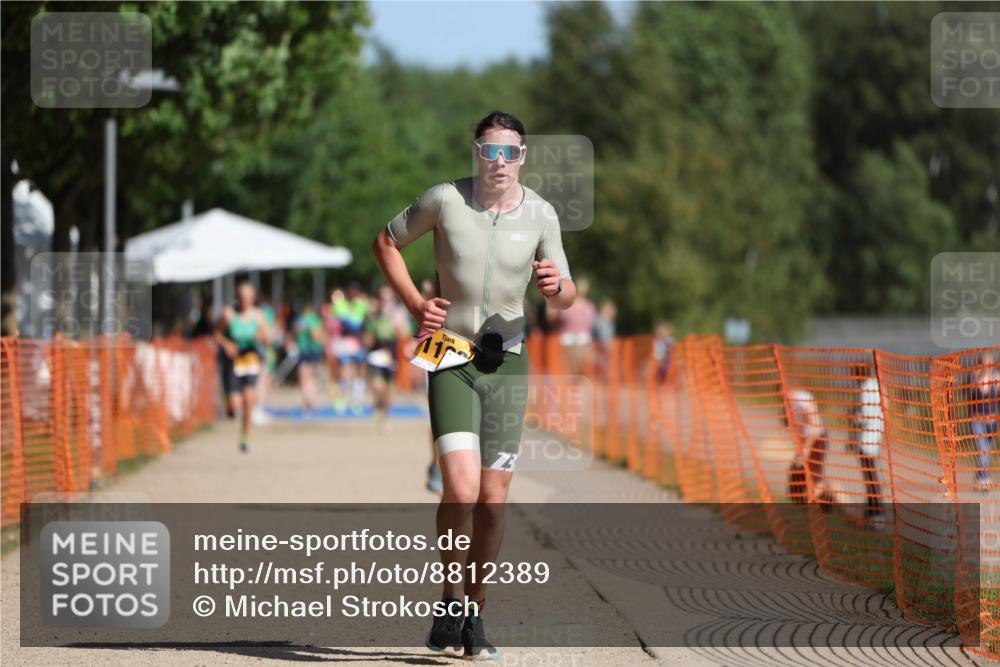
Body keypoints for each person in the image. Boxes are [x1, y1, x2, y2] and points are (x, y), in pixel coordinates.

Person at [373, 111, 576, 660]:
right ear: (476, 153)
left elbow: (567, 292)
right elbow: (385, 242)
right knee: (460, 491)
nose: (499, 162)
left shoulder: (541, 214)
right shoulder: (445, 200)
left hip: (507, 363)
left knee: (492, 501)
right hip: (450, 358)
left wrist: (558, 290)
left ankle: (473, 613)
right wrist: (417, 304)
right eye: (490, 151)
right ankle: (451, 597)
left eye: (510, 152)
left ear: (524, 156)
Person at [214, 281, 268, 453]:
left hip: (251, 360)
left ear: (253, 298)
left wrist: (262, 337)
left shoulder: (258, 315)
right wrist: (227, 344)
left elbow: (267, 337)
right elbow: (216, 334)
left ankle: (245, 437)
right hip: (233, 362)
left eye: (248, 297)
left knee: (248, 399)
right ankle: (230, 407)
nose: (245, 300)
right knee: (235, 405)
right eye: (242, 297)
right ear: (238, 297)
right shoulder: (229, 314)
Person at [364, 286, 411, 422]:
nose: (385, 301)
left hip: (391, 352)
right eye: (382, 298)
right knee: (377, 384)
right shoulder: (373, 314)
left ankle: (385, 409)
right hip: (375, 353)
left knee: (387, 385)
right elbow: (367, 337)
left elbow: (404, 334)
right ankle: (378, 404)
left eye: (388, 298)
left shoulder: (398, 313)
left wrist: (396, 326)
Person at [330, 283, 370, 413]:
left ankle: (357, 401)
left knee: (359, 371)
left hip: (358, 342)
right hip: (346, 342)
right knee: (344, 371)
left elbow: (361, 324)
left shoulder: (362, 305)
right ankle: (342, 399)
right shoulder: (342, 306)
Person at [784, 387, 829, 504]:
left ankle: (826, 503)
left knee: (815, 478)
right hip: (806, 442)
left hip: (817, 440)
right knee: (797, 475)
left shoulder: (800, 400)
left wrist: (807, 448)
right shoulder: (788, 404)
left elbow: (815, 425)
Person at [852, 362, 885, 520]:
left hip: (866, 438)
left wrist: (853, 418)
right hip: (876, 434)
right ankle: (874, 507)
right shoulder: (877, 385)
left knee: (869, 476)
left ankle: (875, 509)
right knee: (872, 475)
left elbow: (863, 415)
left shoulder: (865, 388)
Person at [970, 351, 999, 490]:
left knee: (986, 450)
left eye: (990, 362)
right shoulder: (974, 377)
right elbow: (969, 399)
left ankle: (979, 478)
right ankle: (984, 478)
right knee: (983, 449)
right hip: (978, 420)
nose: (987, 365)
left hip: (993, 421)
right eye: (985, 362)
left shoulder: (997, 377)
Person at [556, 276, 596, 376]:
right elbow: (561, 316)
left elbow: (590, 322)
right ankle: (573, 375)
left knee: (579, 359)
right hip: (569, 335)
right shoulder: (571, 303)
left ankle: (577, 374)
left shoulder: (588, 305)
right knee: (570, 359)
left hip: (579, 336)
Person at [294, 302, 325, 412]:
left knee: (306, 378)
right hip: (308, 351)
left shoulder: (302, 319)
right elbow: (316, 335)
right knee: (308, 378)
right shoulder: (311, 319)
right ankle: (309, 402)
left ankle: (309, 402)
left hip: (309, 351)